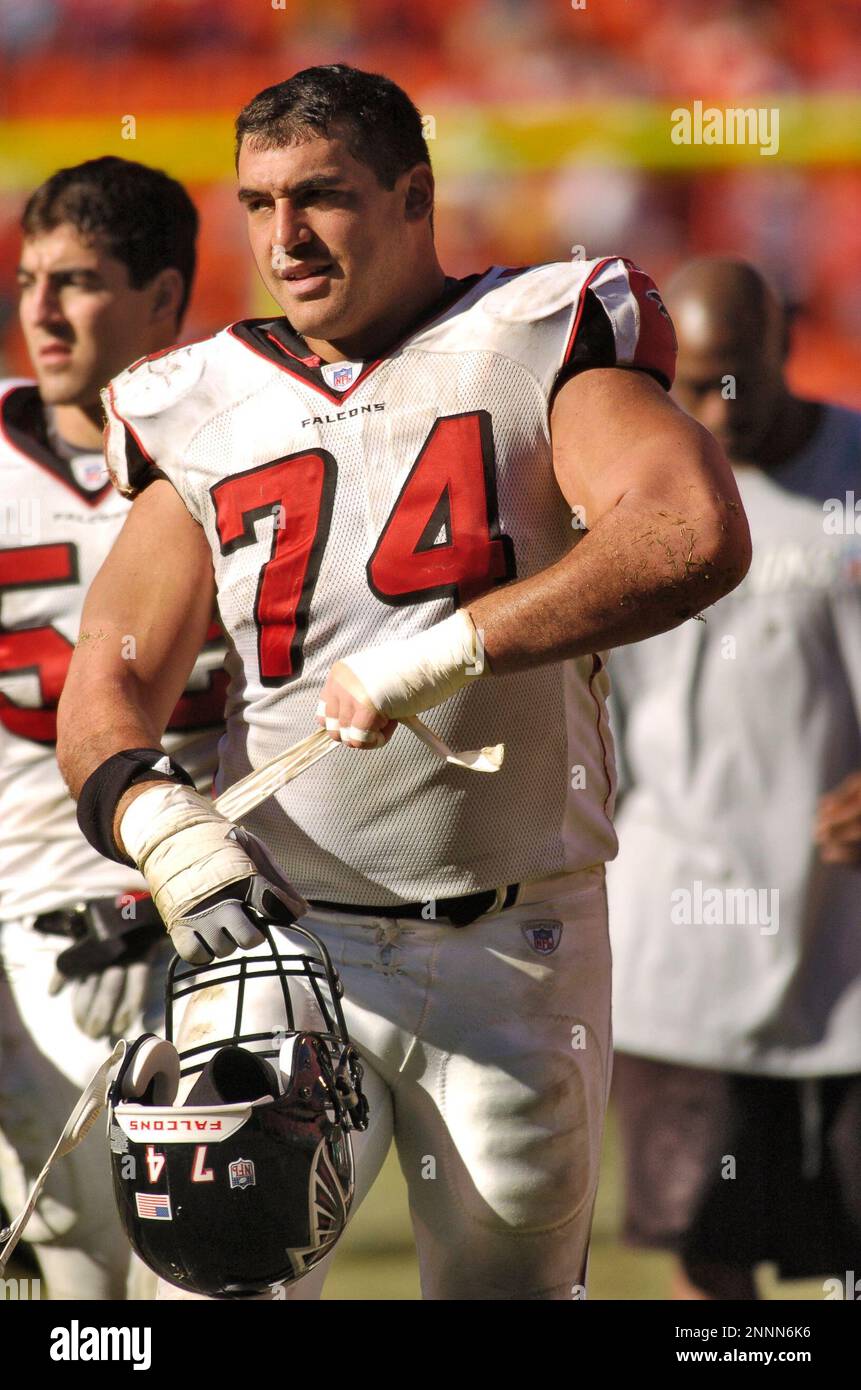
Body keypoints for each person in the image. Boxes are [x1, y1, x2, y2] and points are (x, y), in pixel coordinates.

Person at [57, 67, 750, 1302]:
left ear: (415, 194)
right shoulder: (197, 398)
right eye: (260, 203)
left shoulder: (537, 329)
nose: (286, 238)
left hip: (516, 943)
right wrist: (166, 831)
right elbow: (107, 679)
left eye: (322, 196)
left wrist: (447, 650)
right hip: (279, 937)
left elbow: (688, 532)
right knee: (218, 1291)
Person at [606, 257, 861, 1301]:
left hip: (845, 942)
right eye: (697, 385)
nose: (720, 408)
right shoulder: (626, 493)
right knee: (708, 1253)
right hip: (679, 941)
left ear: (787, 344)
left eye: (740, 378)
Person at [0, 157, 225, 1300]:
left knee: (225, 1271)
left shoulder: (246, 440)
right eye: (32, 276)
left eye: (77, 280)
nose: (37, 308)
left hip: (218, 926)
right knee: (76, 1301)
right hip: (32, 931)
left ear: (163, 299)